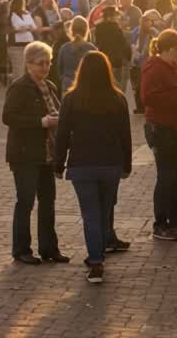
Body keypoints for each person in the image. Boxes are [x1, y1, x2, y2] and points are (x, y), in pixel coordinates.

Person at [54, 51, 132, 284]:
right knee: (105, 209)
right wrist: (126, 164)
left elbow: (62, 134)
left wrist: (58, 164)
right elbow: (125, 135)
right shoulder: (118, 98)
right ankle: (98, 252)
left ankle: (96, 259)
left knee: (90, 213)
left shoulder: (72, 98)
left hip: (83, 163)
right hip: (110, 163)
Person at [2, 41, 69, 264]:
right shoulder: (20, 87)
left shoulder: (48, 85)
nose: (45, 67)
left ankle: (49, 248)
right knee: (26, 201)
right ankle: (21, 249)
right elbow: (8, 117)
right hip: (25, 154)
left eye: (48, 62)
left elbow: (57, 111)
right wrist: (40, 122)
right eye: (41, 63)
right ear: (29, 64)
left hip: (45, 152)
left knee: (48, 201)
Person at [142, 29, 177, 242]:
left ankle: (175, 220)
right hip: (163, 128)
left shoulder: (173, 67)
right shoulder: (153, 67)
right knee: (166, 177)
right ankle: (161, 223)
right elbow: (148, 97)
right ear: (166, 48)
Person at [93, 6, 132, 98]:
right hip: (116, 61)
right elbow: (124, 45)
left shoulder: (98, 29)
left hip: (103, 60)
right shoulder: (116, 29)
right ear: (112, 16)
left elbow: (97, 44)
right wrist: (128, 57)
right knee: (117, 87)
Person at [130, 9, 161, 114]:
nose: (146, 24)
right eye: (143, 22)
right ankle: (140, 107)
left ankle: (147, 106)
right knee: (138, 87)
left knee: (148, 85)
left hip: (149, 62)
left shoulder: (154, 33)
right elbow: (131, 42)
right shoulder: (136, 32)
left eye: (148, 21)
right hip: (137, 63)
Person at [56, 16, 97, 94]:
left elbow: (59, 68)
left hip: (67, 85)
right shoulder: (91, 48)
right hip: (86, 87)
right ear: (86, 30)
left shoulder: (64, 48)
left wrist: (64, 78)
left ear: (71, 30)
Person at [7, 0, 36, 77]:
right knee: (18, 70)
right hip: (16, 45)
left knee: (28, 70)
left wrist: (25, 28)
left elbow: (33, 27)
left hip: (28, 43)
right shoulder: (10, 16)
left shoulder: (27, 14)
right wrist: (25, 28)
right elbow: (14, 28)